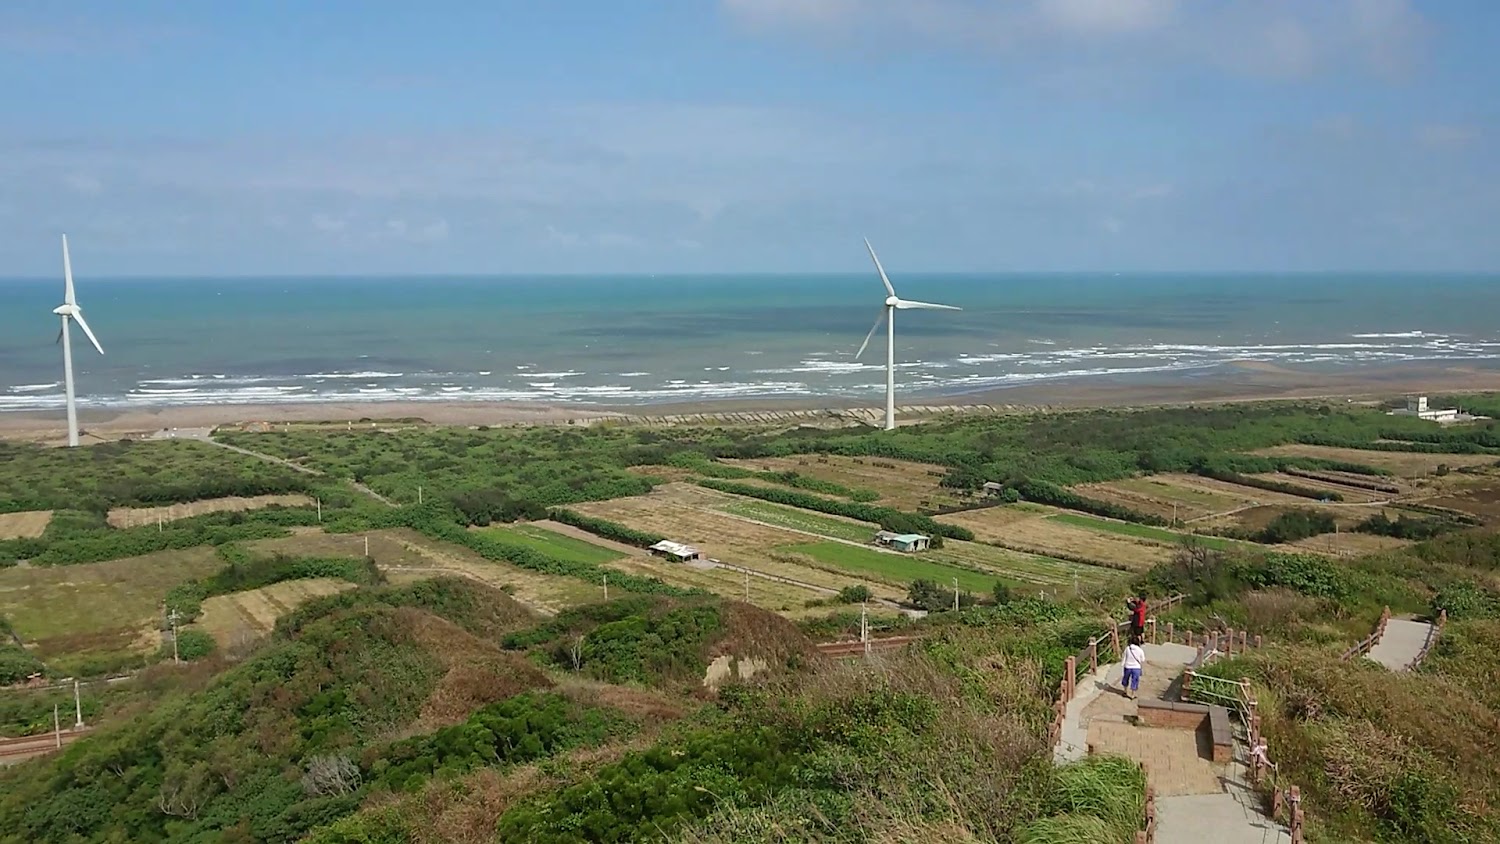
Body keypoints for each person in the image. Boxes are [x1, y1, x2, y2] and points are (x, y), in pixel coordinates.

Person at [1121, 634, 1146, 699]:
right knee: (1135, 680)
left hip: (1127, 666)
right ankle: (1132, 694)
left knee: (1126, 679)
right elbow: (1143, 659)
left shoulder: (1127, 648)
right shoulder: (1140, 650)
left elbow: (1124, 657)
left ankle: (1125, 691)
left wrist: (1122, 663)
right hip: (1136, 667)